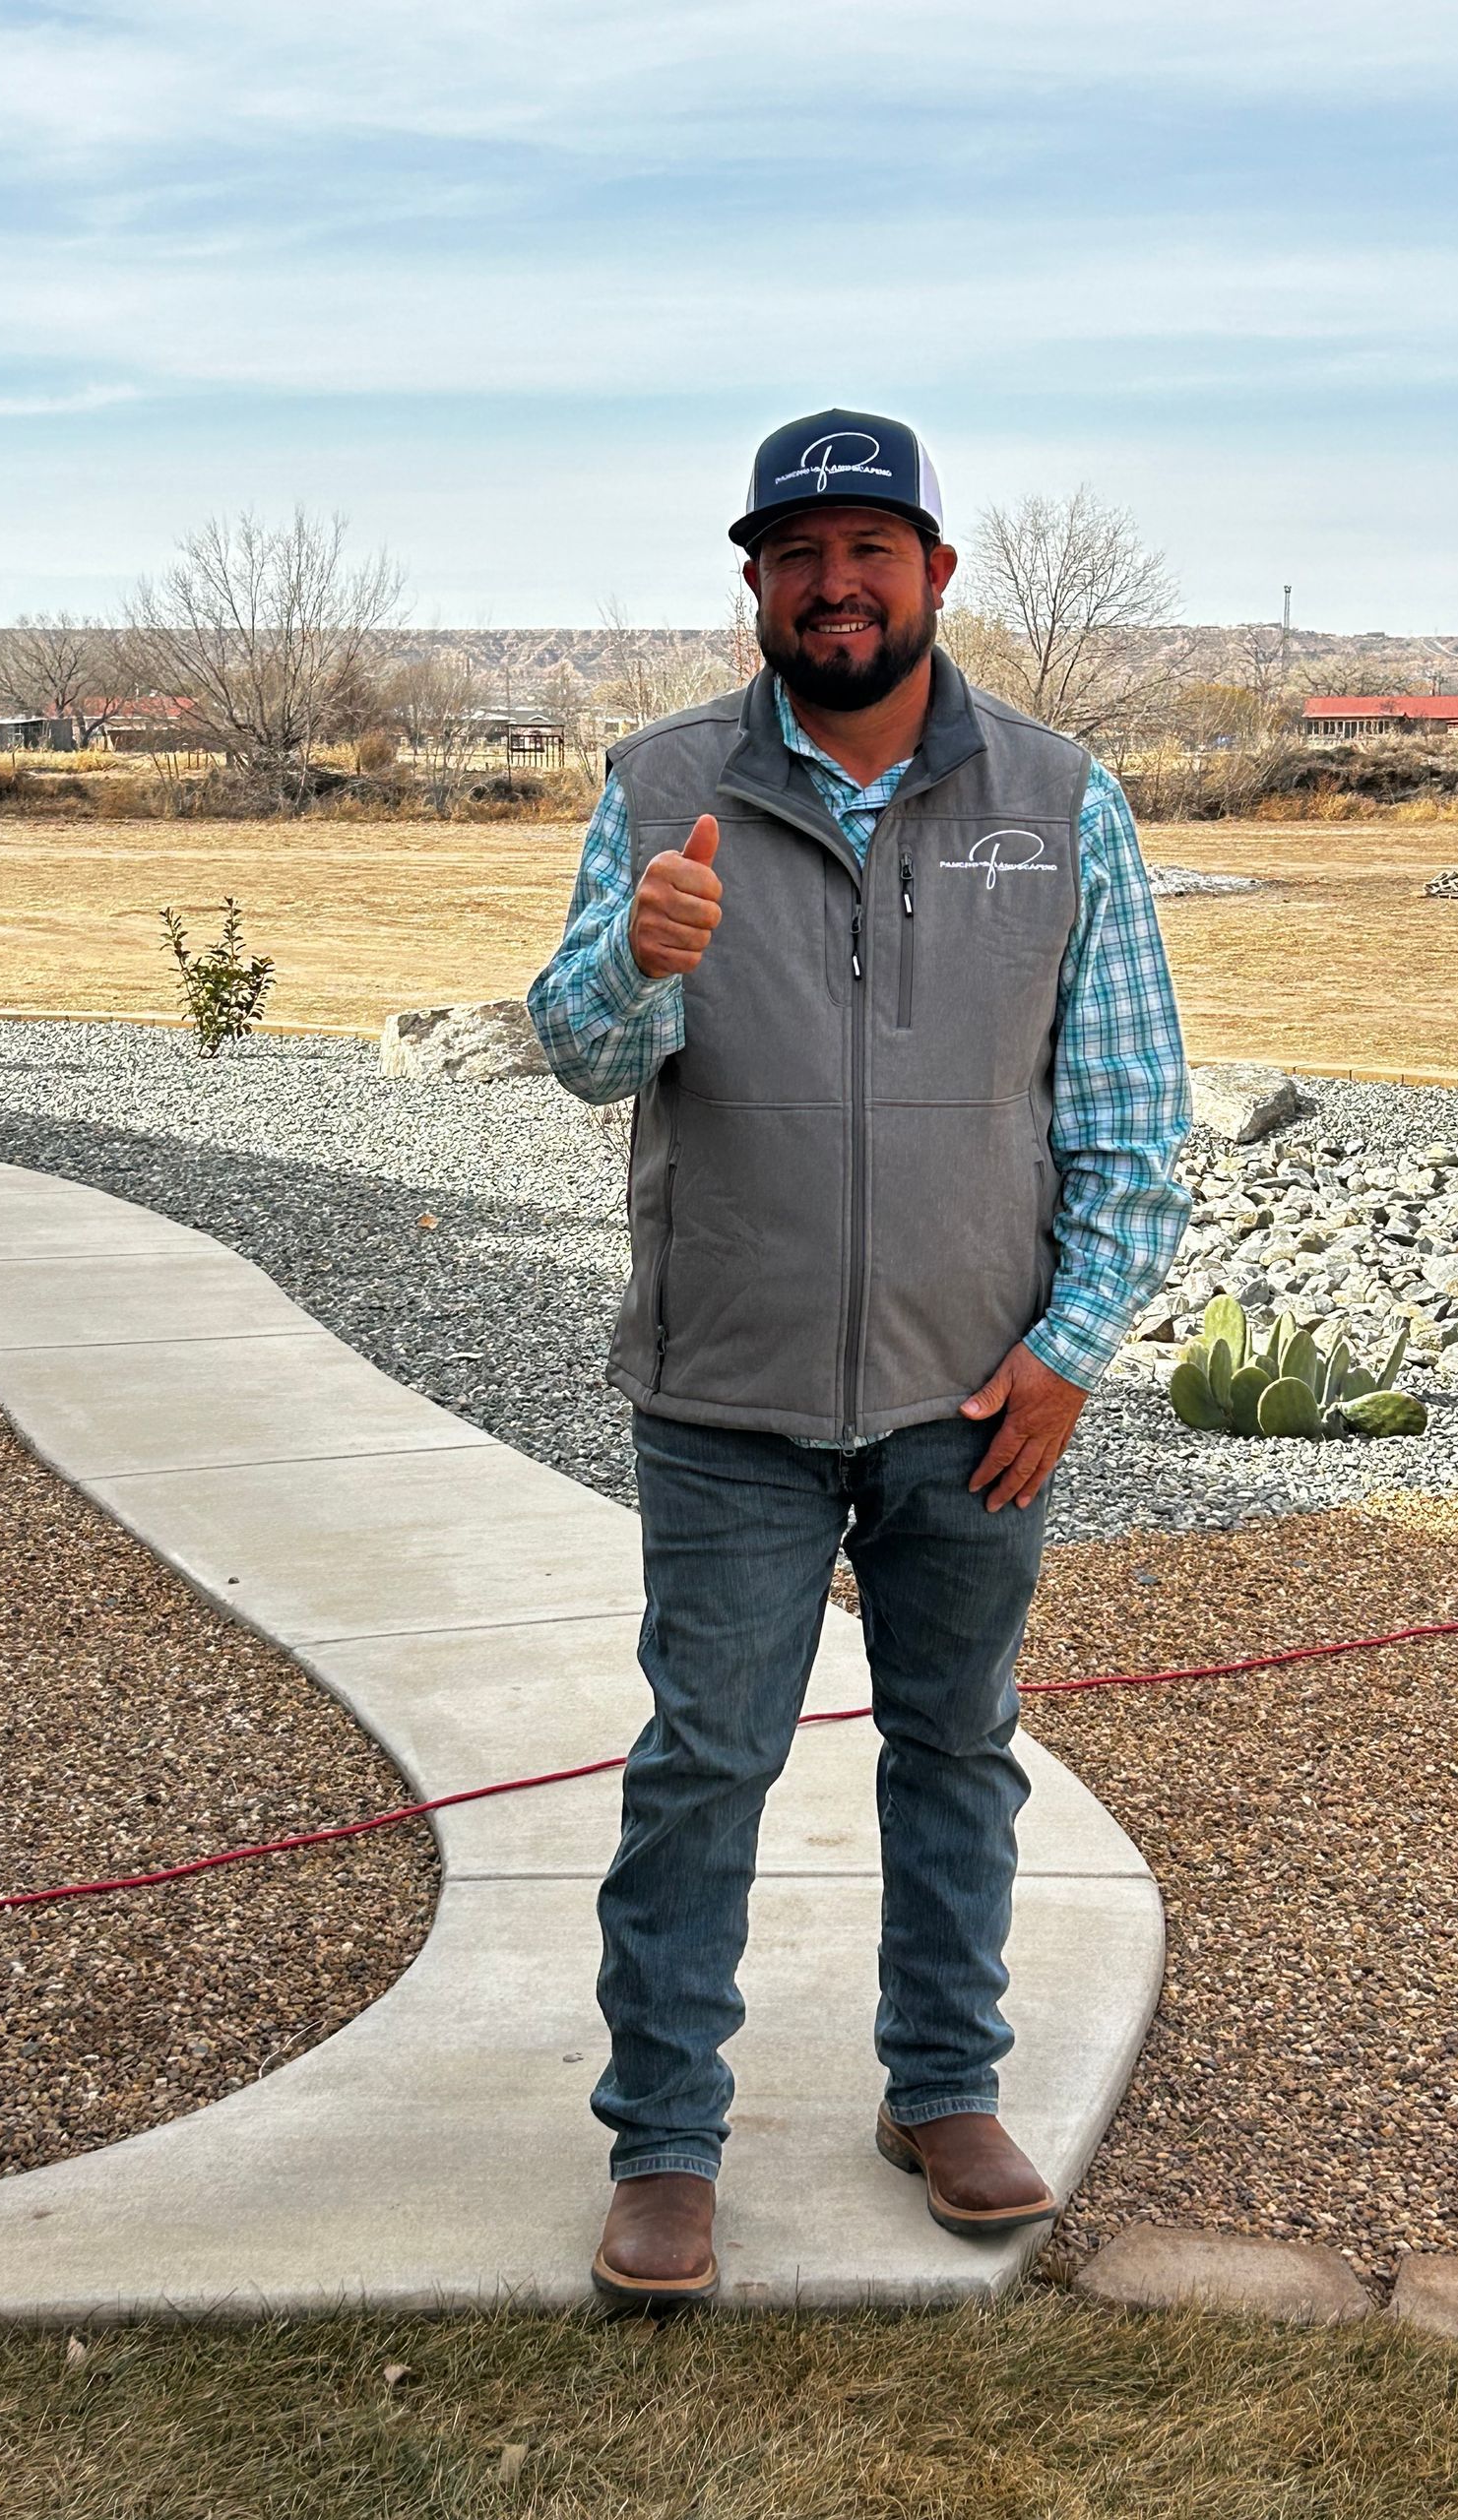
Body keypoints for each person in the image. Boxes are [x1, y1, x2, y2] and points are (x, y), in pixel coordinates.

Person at [528, 408, 1190, 2309]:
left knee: (958, 1749)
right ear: (753, 581)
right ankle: (665, 2142)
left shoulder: (1058, 799)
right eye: (797, 553)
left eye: (870, 549)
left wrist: (1066, 1351)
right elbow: (577, 1056)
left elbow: (1133, 1112)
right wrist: (632, 964)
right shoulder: (660, 787)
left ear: (934, 573)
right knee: (704, 1764)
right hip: (723, 1390)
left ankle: (944, 2086)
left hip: (970, 1397)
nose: (836, 584)